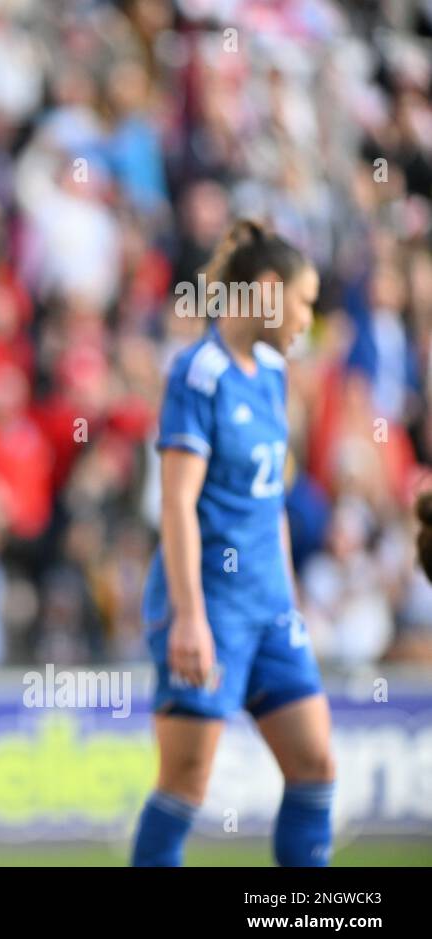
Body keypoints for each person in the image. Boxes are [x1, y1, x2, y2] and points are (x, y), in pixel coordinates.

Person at [132, 219, 335, 866]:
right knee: (186, 786)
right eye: (305, 302)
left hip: (270, 608)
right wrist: (190, 617)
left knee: (316, 766)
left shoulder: (274, 374)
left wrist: (291, 599)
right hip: (209, 609)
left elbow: (272, 499)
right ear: (271, 290)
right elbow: (177, 502)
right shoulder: (199, 374)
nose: (309, 318)